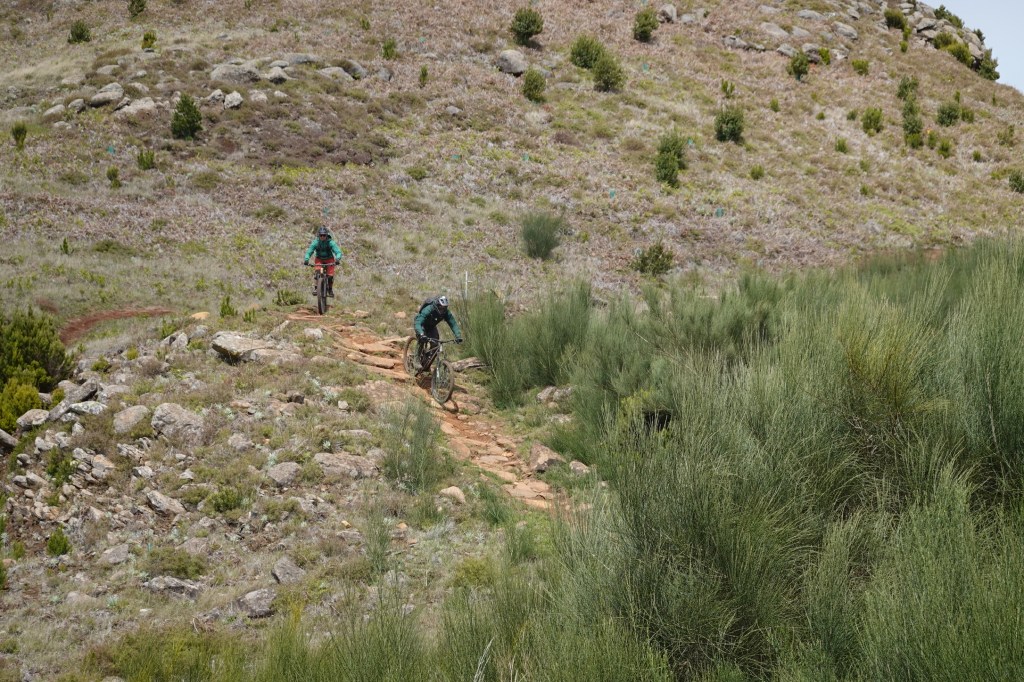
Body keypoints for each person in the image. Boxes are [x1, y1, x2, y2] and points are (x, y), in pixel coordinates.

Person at [414, 295, 463, 371]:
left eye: (444, 308)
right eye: (441, 307)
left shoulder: (446, 313)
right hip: (421, 325)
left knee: (435, 344)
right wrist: (421, 333)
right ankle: (416, 360)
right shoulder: (429, 309)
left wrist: (458, 336)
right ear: (437, 305)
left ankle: (426, 362)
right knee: (422, 340)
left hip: (431, 327)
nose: (442, 309)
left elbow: (453, 324)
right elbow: (418, 322)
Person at [302, 226, 343, 297]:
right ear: (318, 235)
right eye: (321, 235)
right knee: (318, 272)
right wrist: (306, 259)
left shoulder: (331, 242)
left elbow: (338, 252)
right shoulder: (316, 242)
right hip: (319, 259)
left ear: (327, 235)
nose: (322, 237)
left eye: (324, 235)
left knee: (330, 276)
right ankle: (316, 288)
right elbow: (309, 251)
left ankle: (330, 289)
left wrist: (338, 258)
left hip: (329, 259)